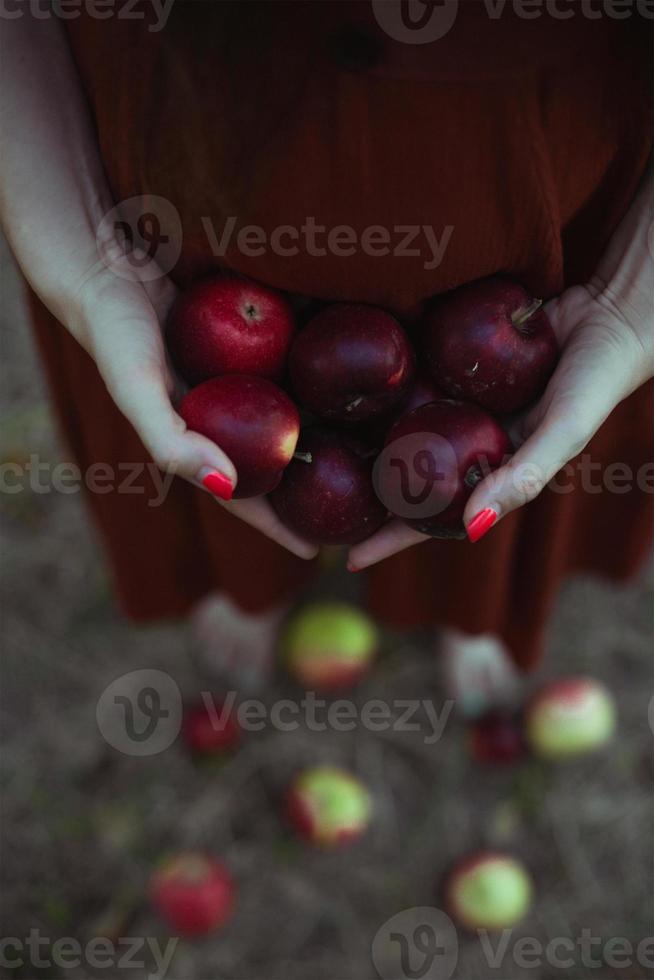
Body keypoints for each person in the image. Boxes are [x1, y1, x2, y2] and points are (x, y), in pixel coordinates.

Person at [2, 2, 652, 700]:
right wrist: (89, 256)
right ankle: (252, 585)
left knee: (508, 464)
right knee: (209, 438)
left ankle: (464, 606)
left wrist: (631, 304)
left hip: (549, 201)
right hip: (184, 200)